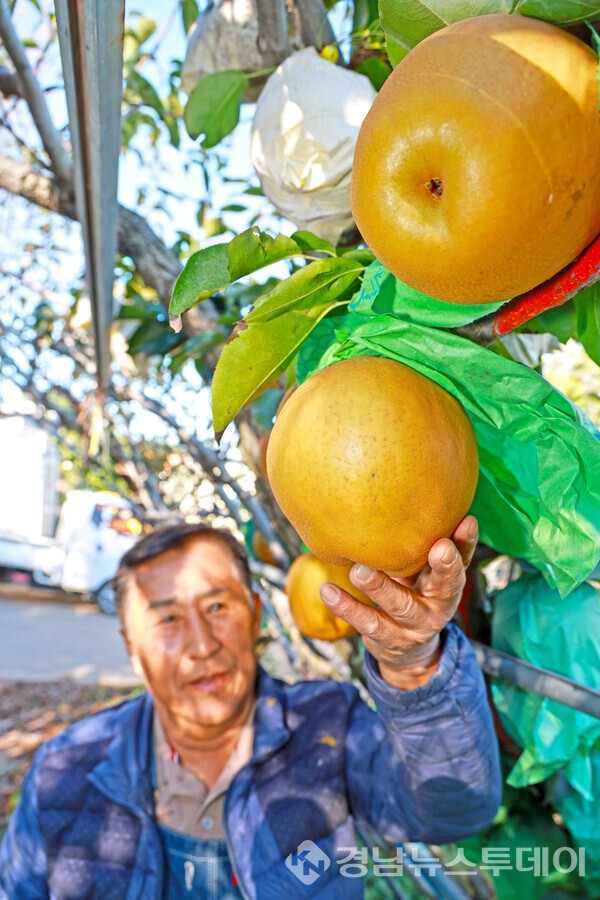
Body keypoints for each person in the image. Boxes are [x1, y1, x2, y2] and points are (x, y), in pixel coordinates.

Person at [0, 516, 502, 898]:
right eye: (168, 620)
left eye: (218, 607)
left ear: (257, 616)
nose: (202, 645)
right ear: (131, 646)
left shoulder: (326, 724)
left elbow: (455, 810)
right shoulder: (64, 770)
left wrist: (412, 666)